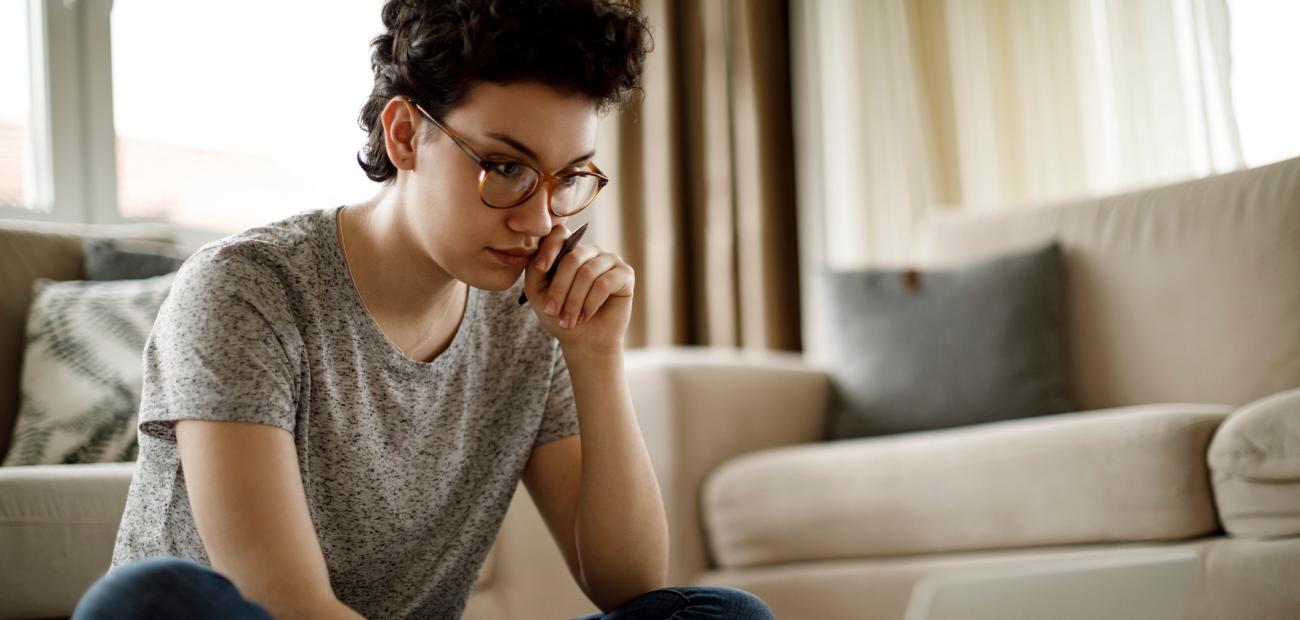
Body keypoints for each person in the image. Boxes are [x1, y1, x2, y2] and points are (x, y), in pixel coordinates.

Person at [70, 1, 775, 619]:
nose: (538, 220)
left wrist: (595, 356)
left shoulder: (529, 318)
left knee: (717, 616)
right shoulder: (246, 289)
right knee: (148, 602)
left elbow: (630, 585)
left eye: (566, 179)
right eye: (505, 168)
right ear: (405, 134)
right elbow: (284, 602)